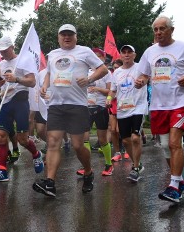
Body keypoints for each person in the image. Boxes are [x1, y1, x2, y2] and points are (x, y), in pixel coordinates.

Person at [134, 16, 184, 203]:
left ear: (171, 30)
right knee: (165, 146)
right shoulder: (149, 52)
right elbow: (143, 74)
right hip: (158, 104)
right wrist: (141, 81)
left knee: (174, 143)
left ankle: (173, 186)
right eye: (155, 29)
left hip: (180, 102)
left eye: (162, 28)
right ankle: (179, 180)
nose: (158, 32)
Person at [32, 23, 108, 197]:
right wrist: (44, 86)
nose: (66, 37)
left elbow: (102, 69)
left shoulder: (84, 51)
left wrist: (89, 79)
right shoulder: (53, 55)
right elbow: (49, 74)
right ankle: (50, 183)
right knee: (52, 143)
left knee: (77, 145)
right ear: (58, 37)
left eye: (70, 34)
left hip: (77, 105)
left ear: (76, 37)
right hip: (56, 105)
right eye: (63, 35)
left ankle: (88, 172)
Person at [0, 36, 44, 183]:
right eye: (0, 51)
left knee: (23, 140)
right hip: (5, 101)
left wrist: (17, 79)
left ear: (12, 47)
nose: (3, 54)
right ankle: (2, 171)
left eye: (5, 51)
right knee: (1, 135)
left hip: (20, 100)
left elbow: (32, 82)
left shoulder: (24, 60)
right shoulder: (1, 64)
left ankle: (36, 154)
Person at [107, 45, 148, 182]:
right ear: (120, 55)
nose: (126, 55)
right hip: (123, 109)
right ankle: (137, 163)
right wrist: (108, 99)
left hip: (138, 107)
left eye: (129, 52)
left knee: (135, 138)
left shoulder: (139, 67)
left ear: (134, 55)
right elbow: (113, 90)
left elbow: (145, 77)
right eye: (124, 52)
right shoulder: (117, 72)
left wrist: (142, 82)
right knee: (125, 140)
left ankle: (135, 168)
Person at [82, 47, 113, 176]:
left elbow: (110, 91)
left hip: (100, 108)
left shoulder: (106, 73)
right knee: (84, 139)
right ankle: (87, 167)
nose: (96, 57)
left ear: (103, 58)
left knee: (102, 140)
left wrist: (97, 89)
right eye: (94, 55)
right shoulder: (86, 72)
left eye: (99, 56)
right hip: (86, 108)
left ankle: (108, 164)